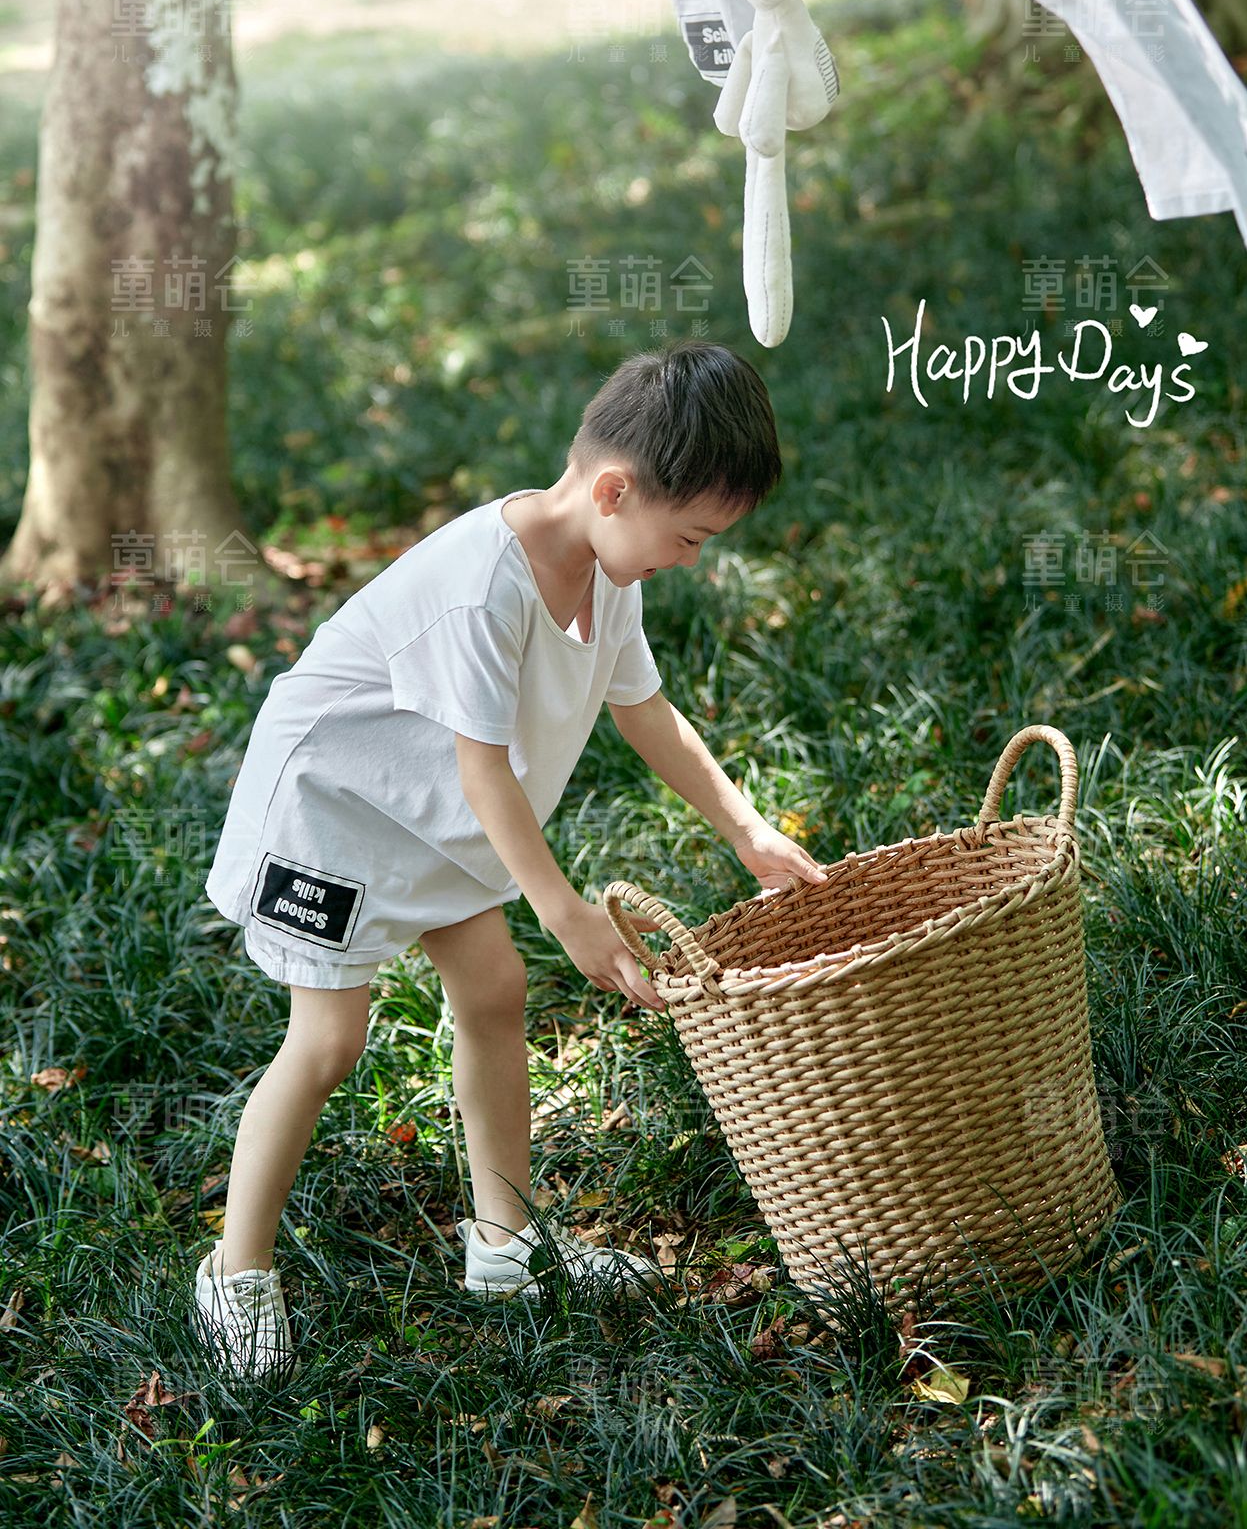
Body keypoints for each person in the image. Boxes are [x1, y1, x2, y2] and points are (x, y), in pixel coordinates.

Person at [192, 340, 826, 1379]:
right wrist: (565, 909)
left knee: (493, 989)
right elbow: (483, 771)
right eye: (690, 537)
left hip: (430, 814)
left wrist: (747, 829)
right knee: (329, 1044)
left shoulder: (608, 572)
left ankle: (504, 1245)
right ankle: (236, 1270)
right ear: (614, 490)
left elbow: (646, 712)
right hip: (330, 816)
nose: (690, 560)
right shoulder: (483, 583)